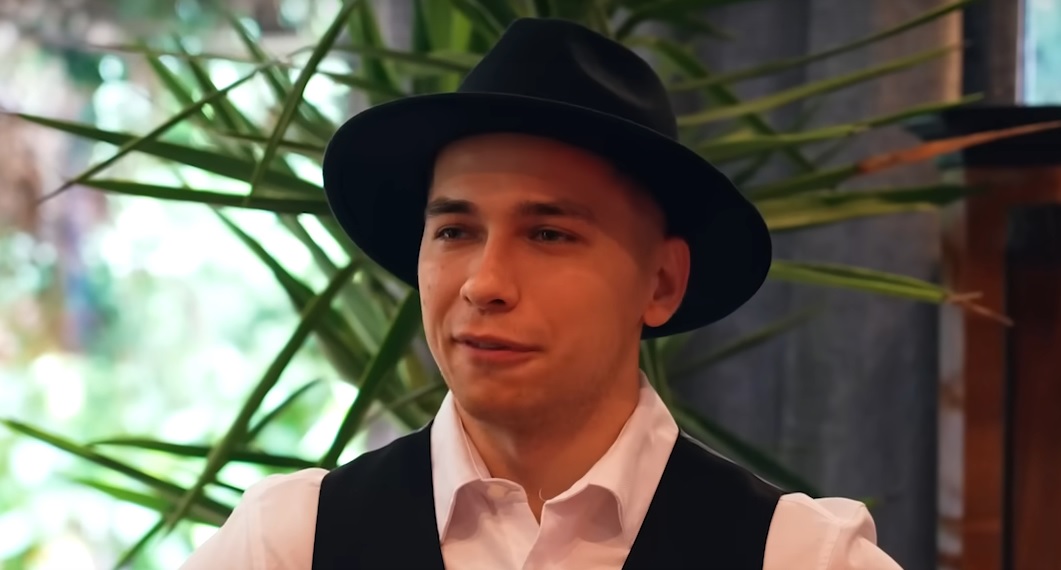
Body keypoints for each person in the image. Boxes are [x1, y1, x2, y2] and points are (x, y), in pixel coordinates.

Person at [179, 17, 902, 570]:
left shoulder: (798, 557)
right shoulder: (291, 543)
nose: (484, 283)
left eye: (549, 234)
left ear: (660, 282)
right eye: (454, 231)